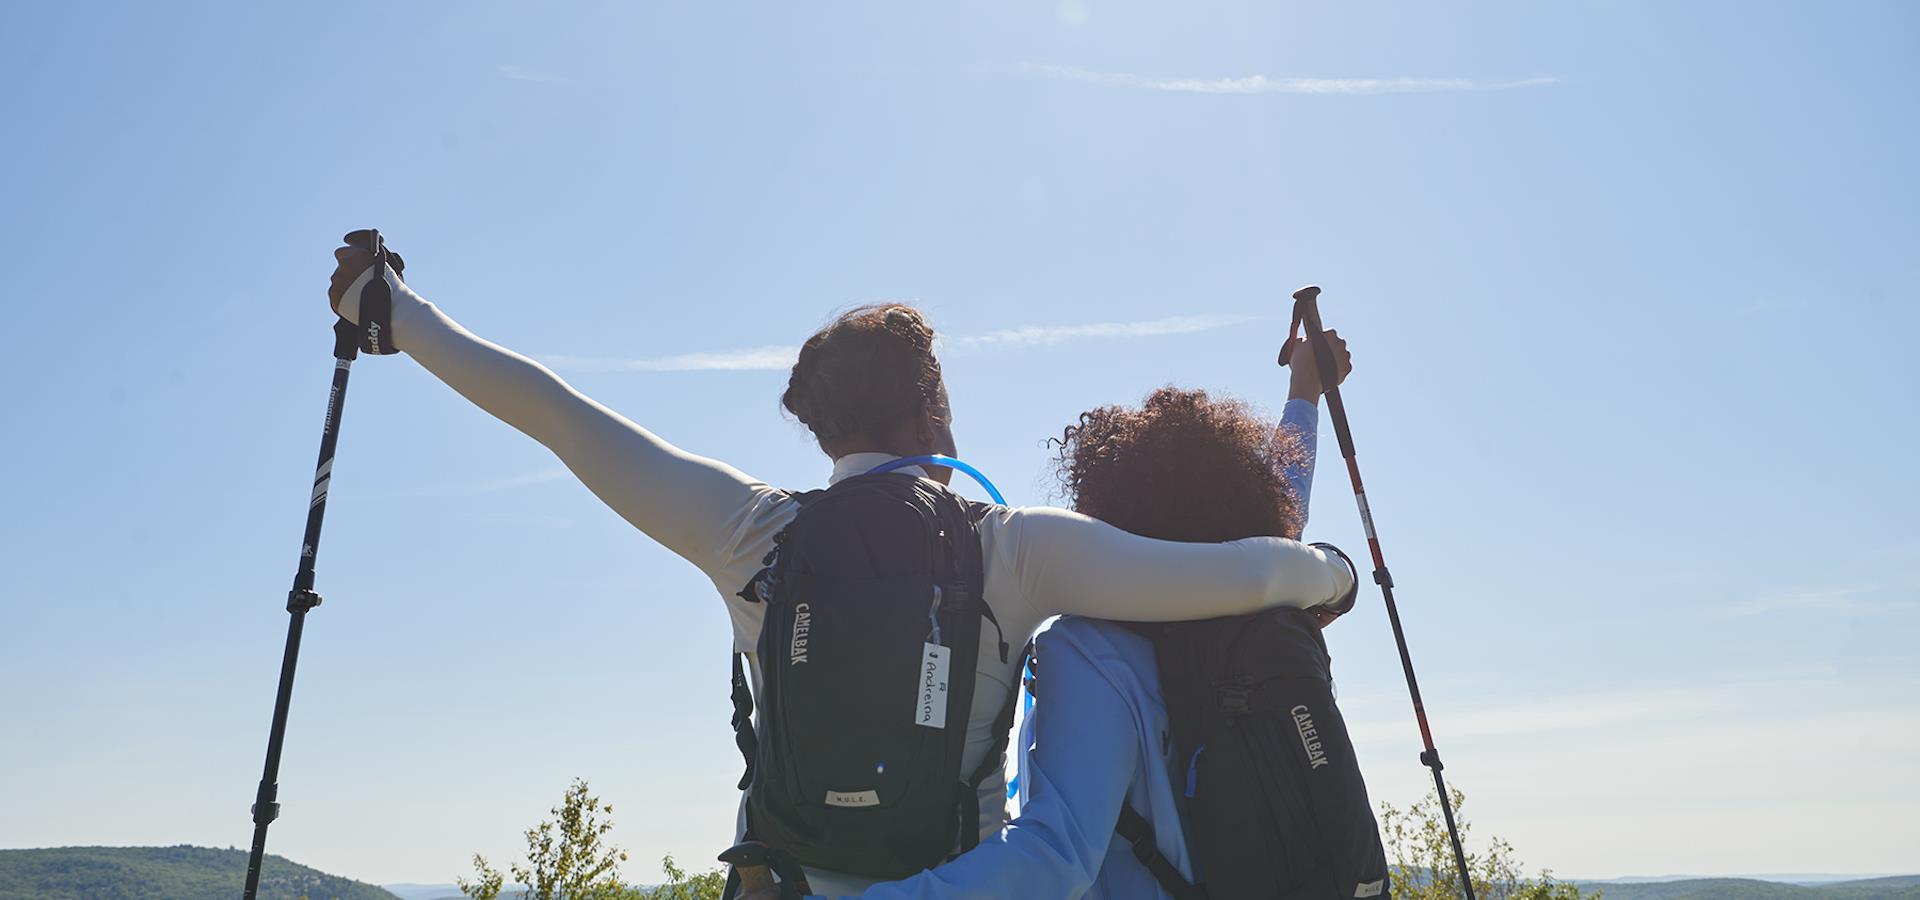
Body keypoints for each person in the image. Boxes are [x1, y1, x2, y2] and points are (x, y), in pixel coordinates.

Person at [324, 237, 1358, 894]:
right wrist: (1329, 574)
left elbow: (558, 416)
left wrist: (401, 316)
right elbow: (1235, 571)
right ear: (932, 407)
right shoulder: (1017, 549)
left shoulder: (752, 532)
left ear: (823, 429)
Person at [819, 357, 1352, 900]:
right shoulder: (1261, 620)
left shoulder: (1093, 649)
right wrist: (1304, 393)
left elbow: (1056, 855)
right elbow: (1288, 501)